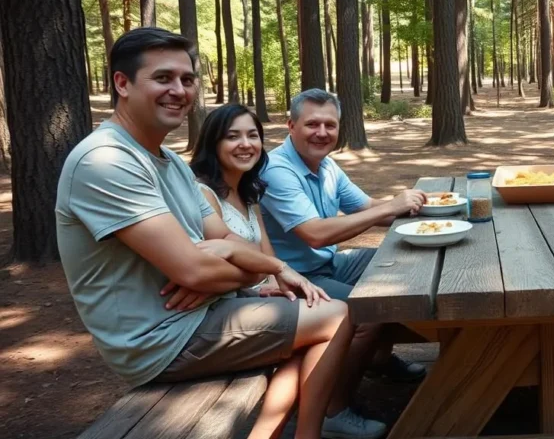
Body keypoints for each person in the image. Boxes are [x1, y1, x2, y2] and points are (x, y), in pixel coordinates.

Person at [56, 27, 356, 439]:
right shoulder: (105, 160)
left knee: (317, 313)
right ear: (122, 83)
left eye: (187, 79)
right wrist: (261, 267)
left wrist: (234, 262)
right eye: (163, 78)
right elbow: (196, 272)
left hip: (202, 316)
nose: (179, 90)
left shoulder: (172, 164)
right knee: (336, 315)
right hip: (161, 339)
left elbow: (233, 243)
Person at [259, 89, 428, 433]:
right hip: (295, 280)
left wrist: (414, 206)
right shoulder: (277, 170)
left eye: (330, 125)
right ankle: (334, 411)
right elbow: (316, 234)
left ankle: (377, 360)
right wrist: (391, 206)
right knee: (364, 312)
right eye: (312, 124)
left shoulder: (327, 165)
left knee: (398, 265)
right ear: (291, 126)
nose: (322, 132)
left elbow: (367, 209)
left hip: (328, 264)